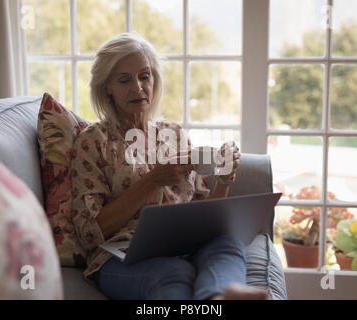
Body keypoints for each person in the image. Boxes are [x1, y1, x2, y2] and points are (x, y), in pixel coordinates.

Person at [71, 32, 268, 300]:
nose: (138, 88)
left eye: (144, 76)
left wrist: (223, 178)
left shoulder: (174, 133)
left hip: (185, 245)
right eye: (124, 79)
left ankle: (219, 297)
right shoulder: (92, 141)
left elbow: (204, 215)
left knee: (227, 243)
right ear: (107, 87)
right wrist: (152, 180)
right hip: (121, 256)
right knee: (174, 272)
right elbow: (91, 231)